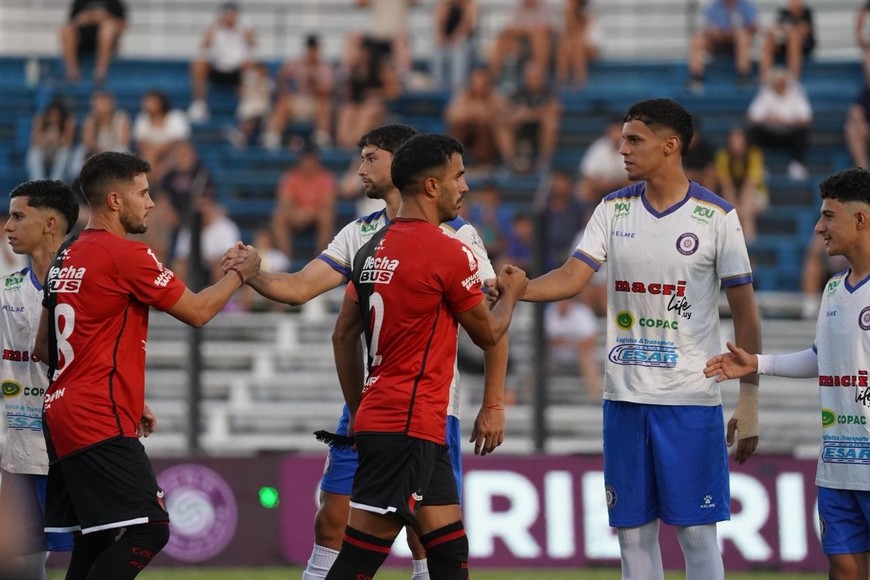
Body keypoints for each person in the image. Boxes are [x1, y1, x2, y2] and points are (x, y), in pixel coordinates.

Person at [220, 124, 509, 579]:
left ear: (403, 162)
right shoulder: (366, 234)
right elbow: (302, 291)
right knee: (339, 524)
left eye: (370, 157)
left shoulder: (451, 237)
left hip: (428, 406)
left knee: (436, 541)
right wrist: (255, 274)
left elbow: (482, 319)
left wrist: (492, 403)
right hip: (391, 407)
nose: (360, 169)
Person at [520, 98, 762, 580]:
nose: (623, 150)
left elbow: (746, 317)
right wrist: (518, 289)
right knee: (632, 537)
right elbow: (571, 277)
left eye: (634, 140)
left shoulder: (717, 217)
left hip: (689, 400)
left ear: (670, 145)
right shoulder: (612, 208)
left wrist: (750, 401)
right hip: (625, 399)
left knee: (696, 534)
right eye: (623, 140)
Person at [33, 151, 260, 580]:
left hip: (60, 412)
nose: (151, 202)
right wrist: (240, 274)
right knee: (150, 529)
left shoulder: (67, 254)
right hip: (96, 416)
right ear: (115, 200)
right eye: (143, 193)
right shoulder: (127, 254)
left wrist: (126, 393)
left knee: (97, 538)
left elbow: (44, 345)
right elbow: (197, 311)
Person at [324, 133, 527, 580]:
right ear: (432, 186)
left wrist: (359, 409)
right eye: (458, 176)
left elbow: (343, 336)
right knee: (359, 557)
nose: (465, 186)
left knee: (450, 550)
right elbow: (488, 333)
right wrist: (512, 292)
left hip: (402, 419)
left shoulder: (370, 248)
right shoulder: (448, 251)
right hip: (408, 422)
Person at [704, 167, 870, 580]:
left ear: (861, 219)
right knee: (843, 569)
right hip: (838, 462)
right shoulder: (834, 289)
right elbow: (821, 357)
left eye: (828, 216)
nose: (818, 227)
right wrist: (758, 363)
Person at [0, 180, 79, 580]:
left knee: (96, 554)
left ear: (50, 223)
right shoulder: (5, 292)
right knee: (17, 565)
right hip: (21, 453)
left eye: (18, 216)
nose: (7, 226)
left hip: (77, 450)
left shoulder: (87, 287)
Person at [263, 34, 335, 151]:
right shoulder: (296, 63)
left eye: (314, 49)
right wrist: (286, 87)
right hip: (299, 101)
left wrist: (314, 86)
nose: (312, 52)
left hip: (316, 103)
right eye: (310, 49)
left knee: (325, 104)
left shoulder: (325, 67)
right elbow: (282, 77)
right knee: (284, 101)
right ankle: (272, 137)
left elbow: (328, 90)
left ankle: (321, 138)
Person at [187, 1, 256, 123]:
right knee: (199, 64)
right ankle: (199, 104)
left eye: (232, 14)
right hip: (218, 69)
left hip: (237, 70)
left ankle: (246, 102)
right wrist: (213, 29)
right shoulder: (214, 29)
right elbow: (204, 46)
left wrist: (247, 34)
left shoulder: (244, 28)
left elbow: (253, 44)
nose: (229, 17)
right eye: (227, 14)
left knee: (250, 66)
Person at [270, 143, 337, 262]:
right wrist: (297, 213)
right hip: (296, 214)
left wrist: (310, 212)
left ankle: (320, 259)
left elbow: (328, 202)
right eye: (305, 159)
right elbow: (284, 201)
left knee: (327, 215)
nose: (307, 162)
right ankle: (286, 259)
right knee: (279, 216)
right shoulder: (291, 177)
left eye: (310, 159)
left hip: (316, 214)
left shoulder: (325, 177)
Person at [746, 68, 812, 181]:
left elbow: (807, 119)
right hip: (770, 134)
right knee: (754, 131)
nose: (780, 85)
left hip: (789, 134)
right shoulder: (765, 94)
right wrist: (768, 120)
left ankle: (797, 164)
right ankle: (760, 165)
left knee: (802, 132)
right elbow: (751, 117)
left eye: (782, 82)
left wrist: (787, 122)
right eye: (777, 82)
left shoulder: (796, 94)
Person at [686, 0, 758, 92]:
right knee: (697, 38)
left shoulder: (746, 5)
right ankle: (696, 77)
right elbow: (707, 27)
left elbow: (754, 27)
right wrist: (716, 32)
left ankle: (743, 76)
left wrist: (740, 30)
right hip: (717, 43)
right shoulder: (713, 6)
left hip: (737, 45)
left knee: (742, 36)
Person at [716, 125, 768, 243]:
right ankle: (734, 244)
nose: (736, 144)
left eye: (739, 140)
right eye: (733, 140)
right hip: (731, 194)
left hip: (756, 194)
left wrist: (742, 206)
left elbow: (751, 183)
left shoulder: (754, 154)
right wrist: (734, 206)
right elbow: (726, 184)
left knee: (747, 211)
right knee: (732, 212)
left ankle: (749, 245)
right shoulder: (723, 155)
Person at [59, 0, 127, 83]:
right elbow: (72, 22)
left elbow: (123, 25)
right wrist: (83, 19)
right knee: (66, 29)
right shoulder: (79, 2)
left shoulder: (114, 2)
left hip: (108, 42)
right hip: (82, 40)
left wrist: (105, 18)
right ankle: (72, 72)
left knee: (108, 28)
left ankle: (100, 73)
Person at [758, 0, 815, 82]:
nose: (795, 2)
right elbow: (777, 28)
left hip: (802, 45)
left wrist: (789, 30)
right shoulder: (783, 12)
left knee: (794, 38)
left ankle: (793, 79)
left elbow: (804, 30)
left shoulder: (806, 13)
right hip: (785, 43)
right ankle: (765, 79)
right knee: (768, 43)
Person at [431, 0, 478, 91]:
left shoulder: (470, 4)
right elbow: (439, 26)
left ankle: (457, 86)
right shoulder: (444, 4)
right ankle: (437, 86)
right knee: (437, 52)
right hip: (448, 41)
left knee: (457, 51)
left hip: (465, 41)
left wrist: (455, 38)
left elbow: (467, 26)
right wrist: (442, 38)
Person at [26, 98, 76, 182]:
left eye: (56, 114)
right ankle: (38, 182)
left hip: (58, 151)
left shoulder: (67, 120)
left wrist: (57, 140)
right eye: (51, 114)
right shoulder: (41, 118)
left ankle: (55, 182)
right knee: (33, 153)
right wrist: (47, 139)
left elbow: (68, 143)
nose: (54, 117)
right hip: (45, 151)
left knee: (64, 153)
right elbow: (35, 140)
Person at [555, 0, 601, 88]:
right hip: (573, 47)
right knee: (565, 46)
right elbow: (564, 35)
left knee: (576, 45)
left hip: (591, 46)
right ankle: (562, 80)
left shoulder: (589, 13)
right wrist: (569, 15)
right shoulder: (567, 14)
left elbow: (589, 37)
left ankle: (579, 81)